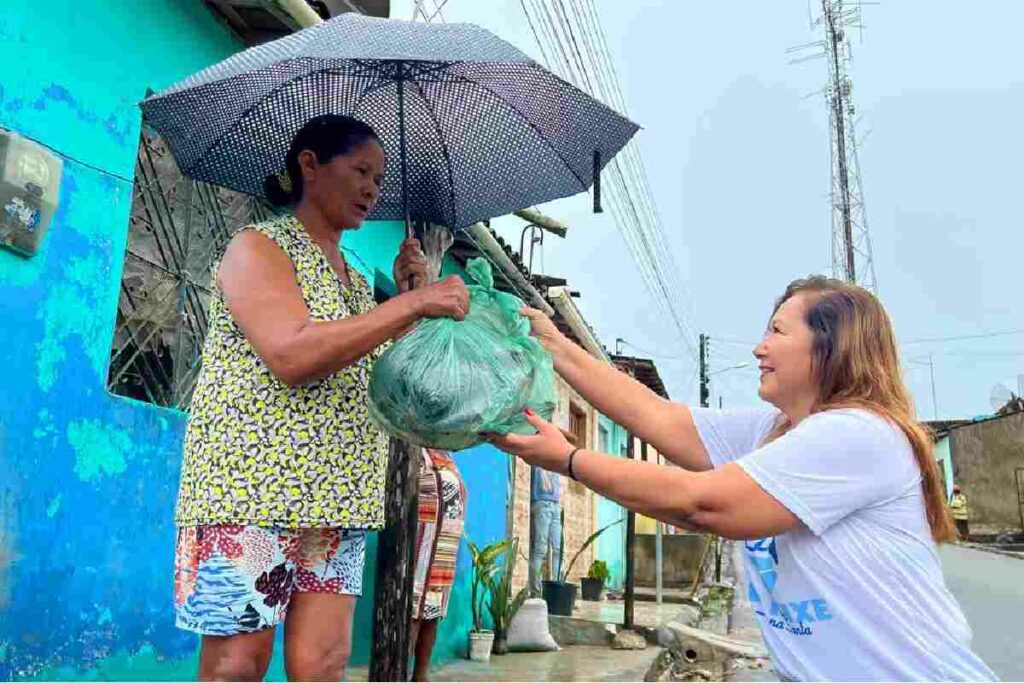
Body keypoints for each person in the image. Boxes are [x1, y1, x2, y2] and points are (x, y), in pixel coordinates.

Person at [490, 276, 995, 681]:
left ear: (831, 348)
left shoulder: (858, 435)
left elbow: (706, 505)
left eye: (777, 331)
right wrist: (555, 346)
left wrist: (571, 460)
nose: (758, 348)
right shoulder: (775, 431)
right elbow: (662, 420)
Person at [172, 114, 469, 682]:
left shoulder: (356, 282)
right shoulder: (257, 247)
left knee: (323, 665)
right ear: (309, 164)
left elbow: (377, 381)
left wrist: (406, 303)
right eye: (361, 170)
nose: (372, 189)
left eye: (379, 179)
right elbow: (293, 354)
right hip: (251, 490)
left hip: (336, 496)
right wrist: (408, 306)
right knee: (238, 664)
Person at [410, 448, 467, 681]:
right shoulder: (411, 447)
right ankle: (400, 674)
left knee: (433, 609)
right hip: (420, 540)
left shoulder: (443, 452)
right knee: (413, 608)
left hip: (444, 543)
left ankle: (420, 676)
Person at [528, 467, 562, 596]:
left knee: (558, 549)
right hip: (542, 502)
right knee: (540, 550)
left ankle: (556, 589)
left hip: (556, 504)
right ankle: (535, 591)